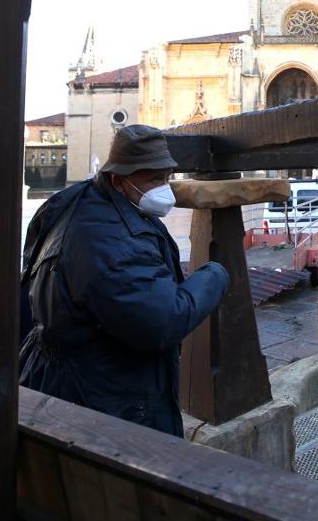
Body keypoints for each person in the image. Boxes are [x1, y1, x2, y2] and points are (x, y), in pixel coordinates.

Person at [19, 124, 228, 436]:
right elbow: (163, 320)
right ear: (118, 180)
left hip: (54, 375)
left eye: (167, 177)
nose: (165, 188)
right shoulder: (113, 243)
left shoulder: (75, 200)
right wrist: (215, 275)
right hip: (98, 395)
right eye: (154, 179)